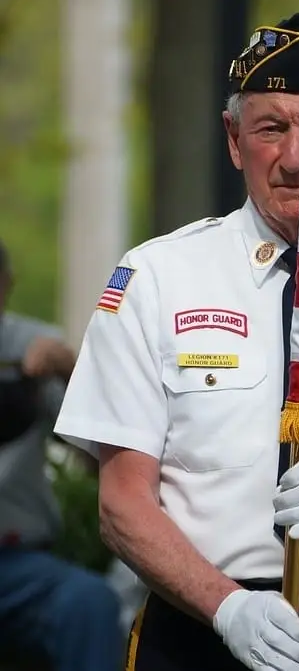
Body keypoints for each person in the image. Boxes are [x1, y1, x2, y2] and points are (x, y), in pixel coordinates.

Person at [54, 13, 299, 671]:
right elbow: (122, 502)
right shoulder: (158, 278)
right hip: (202, 626)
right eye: (271, 128)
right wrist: (228, 607)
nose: (297, 158)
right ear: (234, 140)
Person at [0, 238, 124, 671]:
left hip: (17, 564)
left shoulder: (34, 344)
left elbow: (98, 460)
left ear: (7, 285)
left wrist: (71, 370)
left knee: (89, 602)